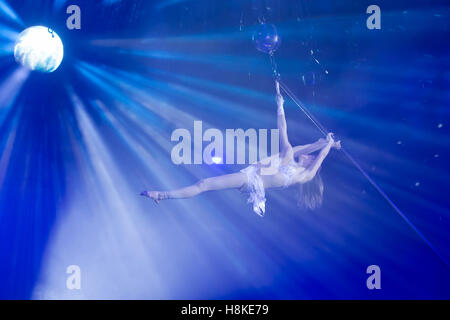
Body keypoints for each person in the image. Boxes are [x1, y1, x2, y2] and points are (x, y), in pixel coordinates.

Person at [141, 81, 341, 216]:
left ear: (313, 163)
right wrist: (324, 141)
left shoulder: (304, 175)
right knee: (288, 148)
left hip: (253, 181)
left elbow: (319, 155)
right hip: (253, 172)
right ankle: (162, 195)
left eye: (310, 156)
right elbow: (303, 141)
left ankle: (162, 195)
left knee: (204, 184)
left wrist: (329, 146)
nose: (307, 154)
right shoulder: (291, 156)